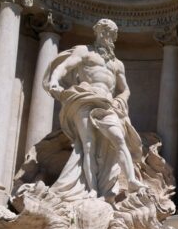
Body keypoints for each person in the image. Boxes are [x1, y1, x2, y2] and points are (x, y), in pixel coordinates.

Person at [43, 18, 146, 202]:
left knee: (119, 138)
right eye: (104, 31)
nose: (107, 35)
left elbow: (125, 89)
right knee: (88, 145)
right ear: (97, 32)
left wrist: (121, 99)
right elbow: (64, 66)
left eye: (111, 33)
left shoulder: (117, 64)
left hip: (107, 103)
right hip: (85, 98)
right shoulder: (84, 51)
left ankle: (131, 180)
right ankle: (92, 189)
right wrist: (54, 80)